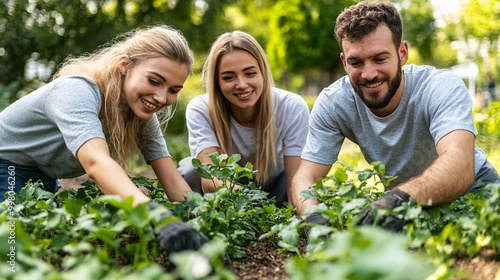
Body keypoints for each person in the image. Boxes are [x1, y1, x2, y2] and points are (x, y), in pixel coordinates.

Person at [290, 1, 500, 231]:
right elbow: (304, 176)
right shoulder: (334, 102)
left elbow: (461, 165)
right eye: (356, 62)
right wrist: (313, 217)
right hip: (408, 209)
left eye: (380, 59)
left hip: (477, 195)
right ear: (344, 62)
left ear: (402, 54)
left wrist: (398, 198)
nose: (369, 74)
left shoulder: (439, 86)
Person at [0, 25, 208, 254]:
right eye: (154, 81)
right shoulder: (77, 91)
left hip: (43, 179)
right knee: (12, 249)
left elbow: (172, 180)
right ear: (125, 65)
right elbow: (96, 162)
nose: (161, 97)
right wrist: (155, 215)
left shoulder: (140, 114)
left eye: (173, 90)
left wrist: (202, 230)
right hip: (5, 167)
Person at [177, 31, 310, 207]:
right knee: (190, 170)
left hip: (276, 186)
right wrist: (252, 200)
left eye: (250, 73)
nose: (241, 84)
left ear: (262, 72)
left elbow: (297, 181)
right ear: (216, 81)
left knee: (297, 181)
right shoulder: (201, 108)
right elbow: (210, 181)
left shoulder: (291, 106)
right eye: (229, 77)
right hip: (225, 190)